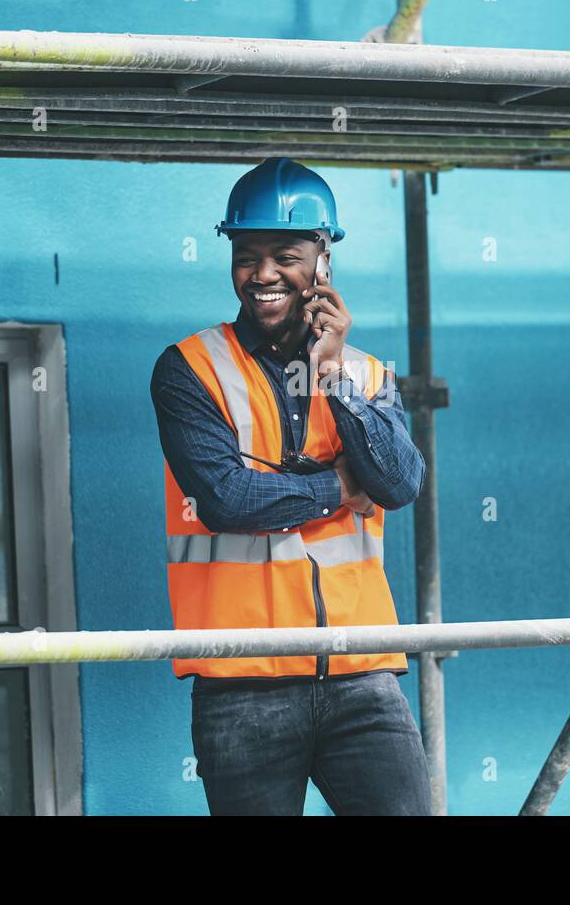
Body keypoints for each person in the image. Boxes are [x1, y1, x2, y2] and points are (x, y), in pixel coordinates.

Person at [149, 157, 433, 815]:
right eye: (246, 255)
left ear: (323, 261)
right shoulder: (188, 370)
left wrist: (330, 372)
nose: (264, 274)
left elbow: (397, 482)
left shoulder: (362, 371)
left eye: (286, 254)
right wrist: (339, 488)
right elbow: (226, 499)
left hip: (362, 673)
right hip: (242, 684)